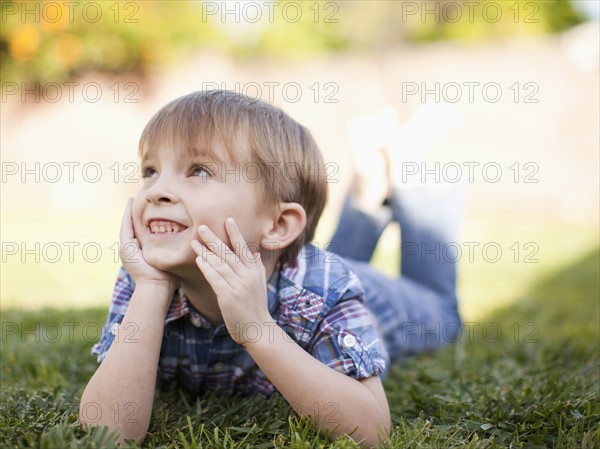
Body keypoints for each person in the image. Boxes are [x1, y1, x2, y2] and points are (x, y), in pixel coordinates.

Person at [79, 90, 461, 448]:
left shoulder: (323, 287)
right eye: (151, 170)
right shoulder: (144, 276)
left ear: (277, 225)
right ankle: (366, 191)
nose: (156, 190)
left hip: (371, 297)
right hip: (285, 260)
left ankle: (412, 173)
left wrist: (256, 329)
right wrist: (150, 289)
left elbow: (371, 430)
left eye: (199, 170)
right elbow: (107, 434)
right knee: (319, 258)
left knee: (442, 311)